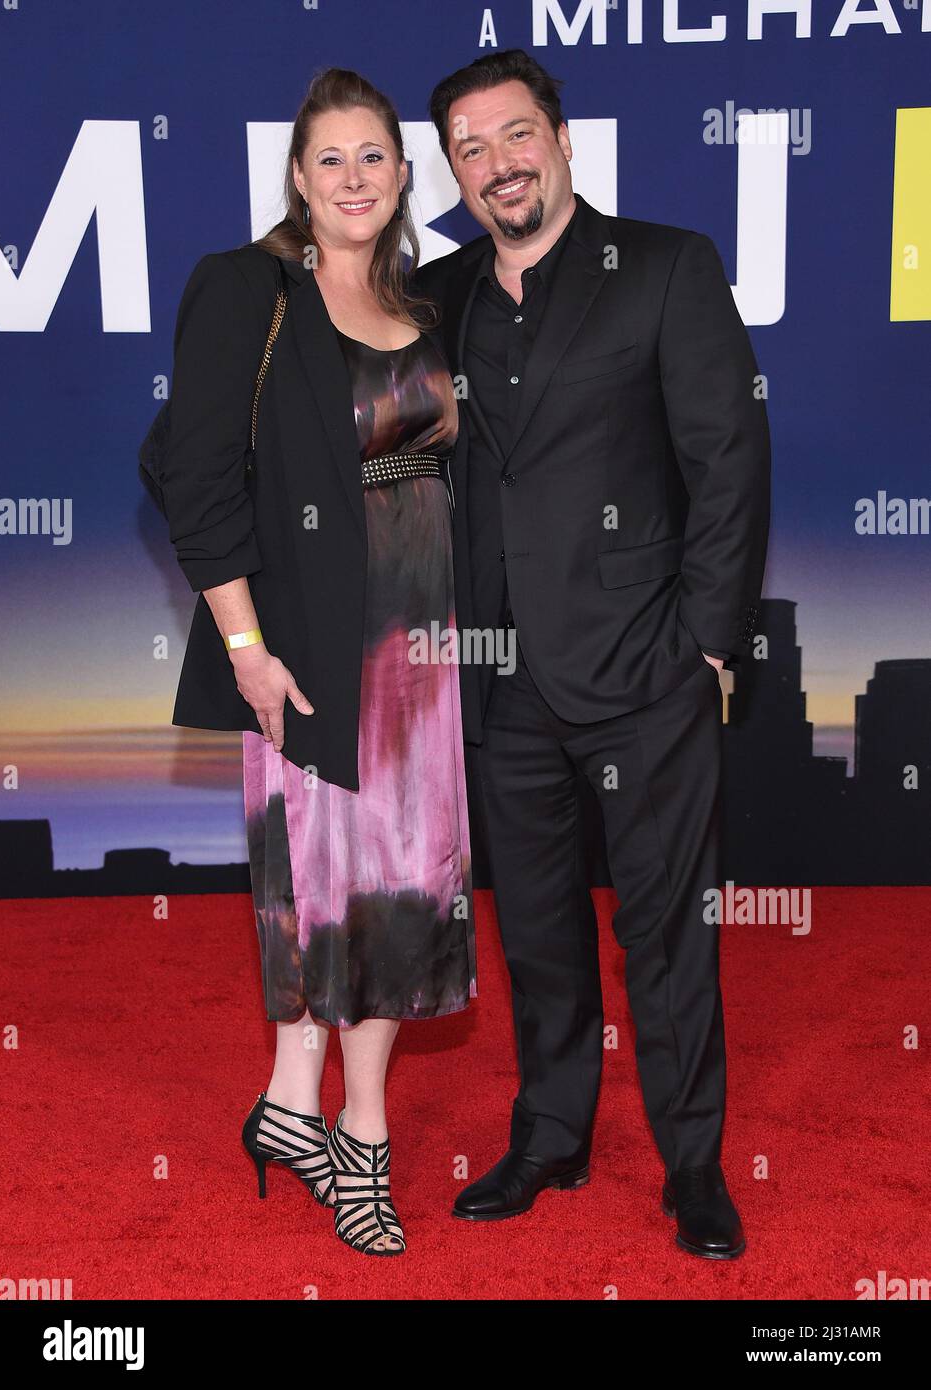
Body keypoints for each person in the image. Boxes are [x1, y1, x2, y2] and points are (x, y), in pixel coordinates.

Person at [415, 49, 770, 1258]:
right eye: (469, 148)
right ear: (452, 171)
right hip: (500, 679)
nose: (497, 164)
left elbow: (726, 464)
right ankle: (550, 1134)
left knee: (667, 930)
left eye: (514, 135)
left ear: (560, 139)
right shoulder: (442, 292)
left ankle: (693, 1166)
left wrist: (708, 646)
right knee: (539, 931)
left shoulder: (664, 268)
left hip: (643, 670)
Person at [159, 67, 475, 1257]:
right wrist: (245, 648)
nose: (352, 177)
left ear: (403, 178)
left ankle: (293, 1112)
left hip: (427, 651)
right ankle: (364, 1138)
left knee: (399, 885)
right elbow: (189, 474)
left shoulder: (421, 298)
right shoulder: (250, 289)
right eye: (329, 158)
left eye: (373, 158)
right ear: (296, 175)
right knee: (343, 894)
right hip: (314, 650)